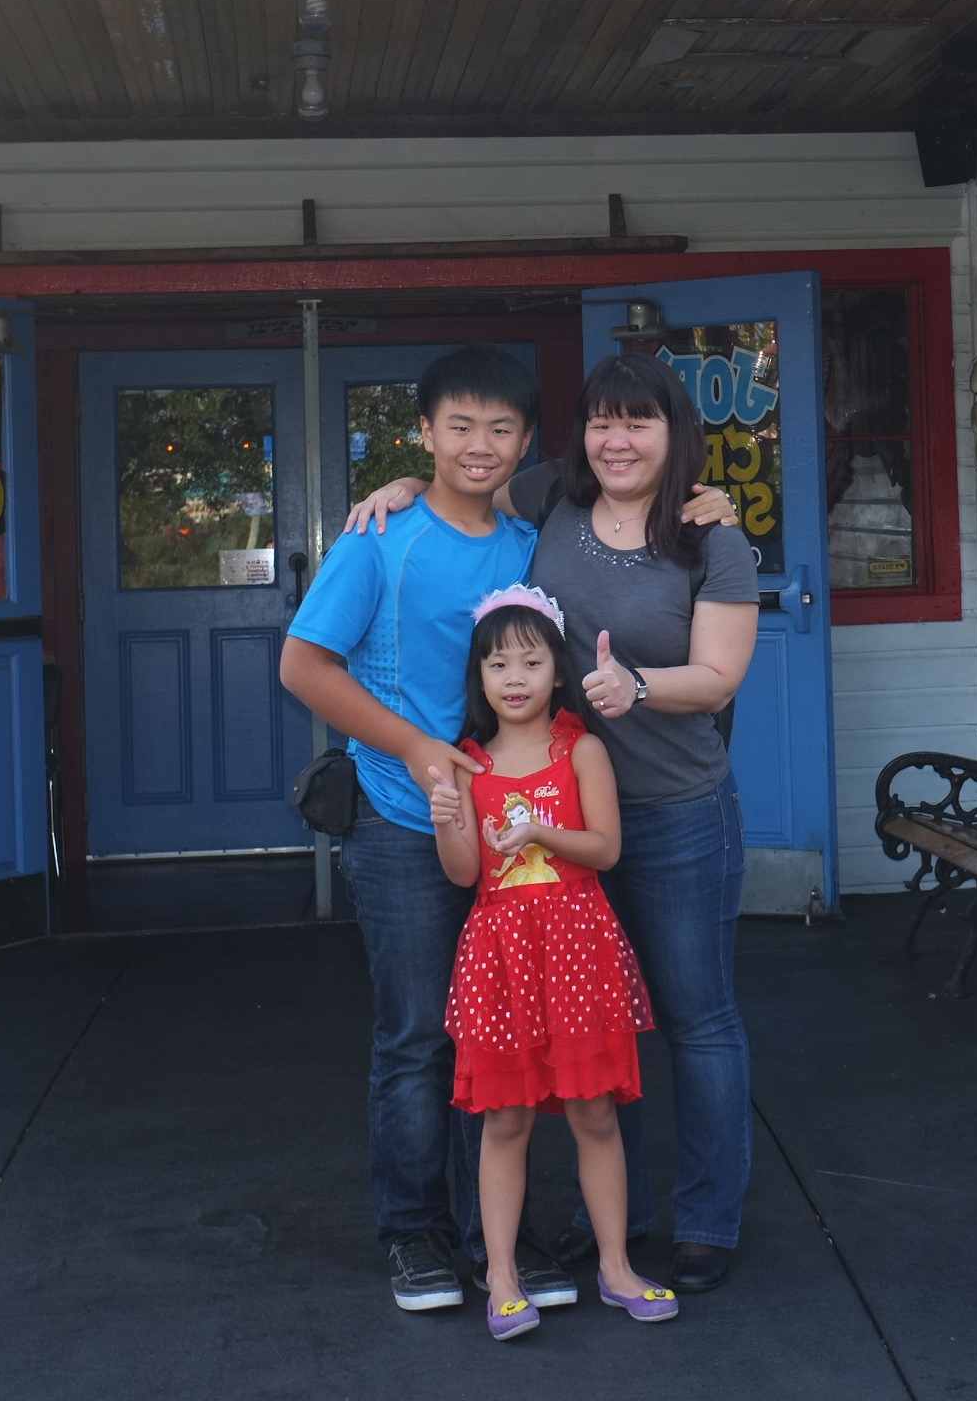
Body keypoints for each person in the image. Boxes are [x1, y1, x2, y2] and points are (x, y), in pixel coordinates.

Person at [347, 350, 760, 1293]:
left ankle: (706, 1222)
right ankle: (620, 1221)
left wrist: (637, 686)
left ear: (674, 435)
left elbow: (719, 677)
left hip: (676, 810)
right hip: (557, 815)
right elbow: (467, 481)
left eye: (640, 422)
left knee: (696, 1019)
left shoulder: (710, 536)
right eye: (603, 421)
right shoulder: (552, 497)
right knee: (601, 1025)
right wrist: (404, 487)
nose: (618, 440)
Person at [278, 345, 568, 1318]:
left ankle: (498, 1234)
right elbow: (304, 665)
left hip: (513, 830)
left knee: (505, 1035)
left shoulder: (529, 545)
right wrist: (415, 749)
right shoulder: (379, 539)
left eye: (501, 428)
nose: (480, 445)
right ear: (425, 433)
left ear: (525, 442)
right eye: (460, 425)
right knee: (417, 1037)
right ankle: (415, 1230)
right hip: (404, 822)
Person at [425, 586, 677, 1337]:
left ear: (558, 672)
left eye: (531, 662)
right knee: (505, 1120)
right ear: (478, 676)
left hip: (577, 948)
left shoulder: (582, 750)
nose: (514, 678)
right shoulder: (468, 767)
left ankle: (616, 1267)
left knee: (594, 1112)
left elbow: (605, 849)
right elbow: (464, 874)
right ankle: (502, 1276)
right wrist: (445, 821)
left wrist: (539, 831)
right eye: (498, 663)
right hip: (501, 958)